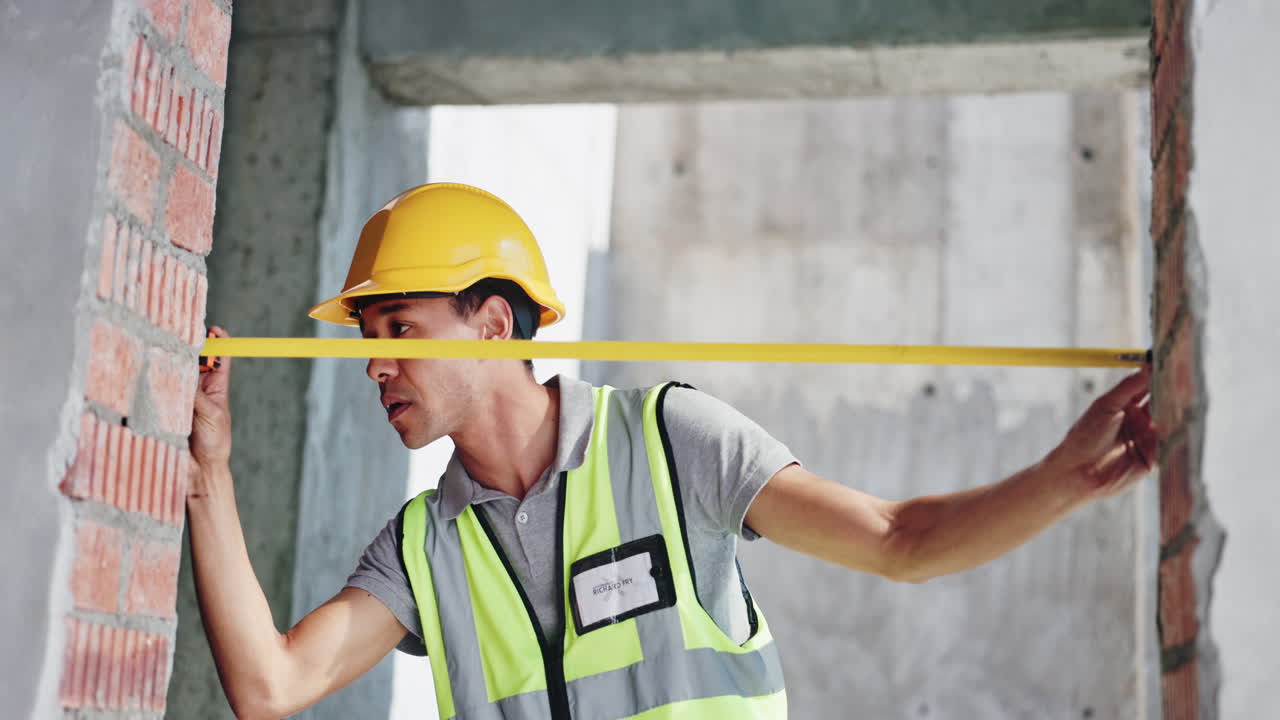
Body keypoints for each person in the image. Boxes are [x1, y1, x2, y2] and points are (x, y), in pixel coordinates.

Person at [188, 183, 1157, 720]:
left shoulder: (667, 442)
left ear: (491, 325)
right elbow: (271, 687)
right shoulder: (424, 548)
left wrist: (1064, 478)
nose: (374, 365)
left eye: (399, 329)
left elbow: (897, 541)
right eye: (367, 340)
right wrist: (207, 475)